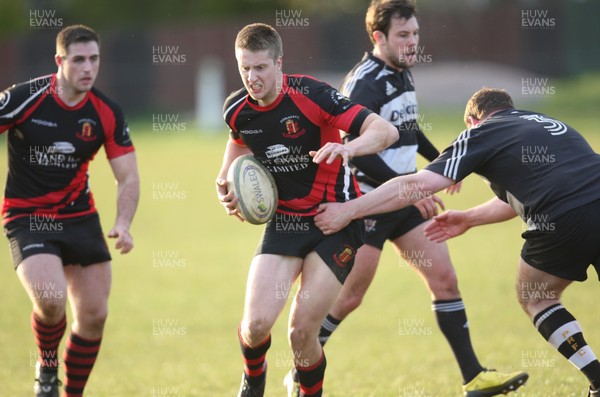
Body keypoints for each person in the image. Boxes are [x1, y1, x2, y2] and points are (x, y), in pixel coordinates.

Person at [282, 1, 528, 397]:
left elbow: (409, 129)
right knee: (350, 297)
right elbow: (354, 150)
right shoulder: (365, 82)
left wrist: (441, 164)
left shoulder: (401, 71)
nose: (412, 42)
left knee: (444, 279)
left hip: (404, 199)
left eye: (415, 34)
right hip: (368, 202)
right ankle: (301, 369)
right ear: (378, 37)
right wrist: (412, 190)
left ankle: (474, 378)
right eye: (403, 35)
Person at [314, 87, 600, 397]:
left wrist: (349, 209)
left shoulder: (482, 132)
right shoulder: (544, 122)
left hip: (563, 215)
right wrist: (468, 218)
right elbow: (522, 196)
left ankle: (597, 378)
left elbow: (417, 184)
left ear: (470, 120)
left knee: (537, 298)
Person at [216, 23, 399, 397]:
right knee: (255, 326)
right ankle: (253, 380)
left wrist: (349, 148)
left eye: (261, 68)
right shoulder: (237, 109)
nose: (253, 78)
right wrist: (225, 181)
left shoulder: (313, 95)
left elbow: (385, 132)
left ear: (279, 62)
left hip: (335, 220)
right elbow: (238, 142)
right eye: (245, 68)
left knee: (301, 333)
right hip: (284, 221)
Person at [0, 25, 139, 397]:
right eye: (78, 60)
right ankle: (47, 366)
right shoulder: (24, 98)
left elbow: (128, 177)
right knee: (50, 298)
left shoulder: (106, 112)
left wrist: (123, 222)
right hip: (27, 216)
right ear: (59, 61)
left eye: (94, 59)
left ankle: (70, 393)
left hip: (79, 217)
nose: (88, 68)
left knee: (94, 315)